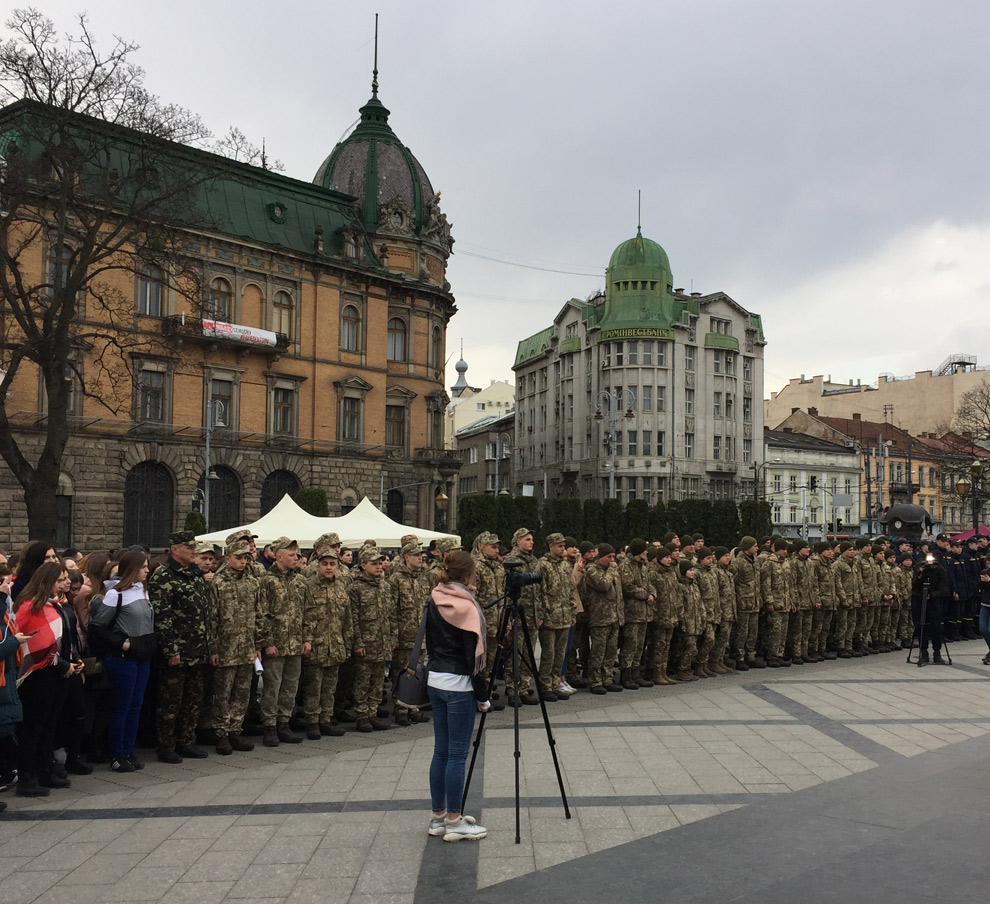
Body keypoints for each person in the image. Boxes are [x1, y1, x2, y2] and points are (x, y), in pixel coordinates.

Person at [424, 550, 489, 842]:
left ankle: (439, 816)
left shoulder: (435, 596)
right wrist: (484, 696)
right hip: (459, 684)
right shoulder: (466, 608)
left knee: (441, 750)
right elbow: (472, 657)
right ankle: (454, 820)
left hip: (435, 678)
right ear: (468, 575)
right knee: (457, 754)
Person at [14, 562, 85, 795]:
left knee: (49, 725)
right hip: (38, 676)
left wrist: (72, 661)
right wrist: (61, 662)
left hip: (58, 673)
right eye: (60, 579)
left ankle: (45, 770)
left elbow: (62, 641)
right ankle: (26, 776)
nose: (64, 583)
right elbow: (36, 644)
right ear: (47, 581)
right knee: (33, 727)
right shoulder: (30, 606)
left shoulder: (54, 606)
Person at [89, 549, 156, 772]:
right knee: (122, 706)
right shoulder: (115, 595)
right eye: (144, 567)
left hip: (142, 656)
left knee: (136, 705)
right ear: (133, 569)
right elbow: (98, 627)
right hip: (123, 658)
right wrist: (120, 643)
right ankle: (117, 753)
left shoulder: (143, 592)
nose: (147, 570)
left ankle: (128, 749)